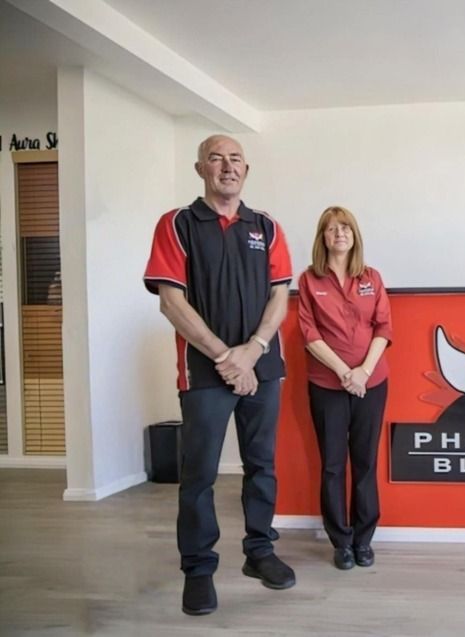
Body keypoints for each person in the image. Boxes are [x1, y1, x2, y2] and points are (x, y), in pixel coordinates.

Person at [144, 135, 296, 616]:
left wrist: (251, 352)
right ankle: (198, 569)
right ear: (200, 168)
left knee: (262, 466)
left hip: (264, 367)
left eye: (235, 160)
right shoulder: (178, 224)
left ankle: (260, 552)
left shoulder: (266, 227)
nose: (227, 167)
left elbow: (279, 298)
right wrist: (224, 358)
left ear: (246, 171)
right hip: (203, 372)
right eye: (216, 158)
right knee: (200, 474)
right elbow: (172, 301)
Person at [297, 206, 392, 571]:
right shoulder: (309, 280)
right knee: (333, 466)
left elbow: (384, 328)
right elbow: (309, 334)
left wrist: (363, 373)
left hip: (372, 383)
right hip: (327, 385)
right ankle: (341, 542)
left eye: (346, 227)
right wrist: (343, 373)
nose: (339, 233)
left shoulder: (372, 277)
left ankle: (364, 540)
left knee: (365, 463)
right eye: (332, 228)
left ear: (355, 235)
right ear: (322, 237)